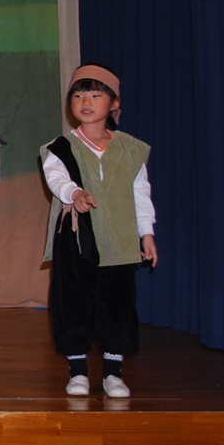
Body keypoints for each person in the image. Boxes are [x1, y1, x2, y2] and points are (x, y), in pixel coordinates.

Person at [40, 64, 156, 399]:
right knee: (73, 303)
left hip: (119, 240)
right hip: (77, 242)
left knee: (117, 305)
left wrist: (146, 233)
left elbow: (140, 193)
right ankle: (77, 371)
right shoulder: (60, 147)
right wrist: (74, 193)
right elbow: (56, 178)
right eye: (78, 95)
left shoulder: (131, 149)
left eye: (95, 94)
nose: (86, 101)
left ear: (114, 103)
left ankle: (113, 374)